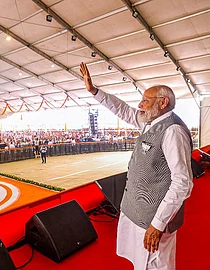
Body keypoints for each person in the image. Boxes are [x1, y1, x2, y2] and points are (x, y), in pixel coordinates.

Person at [80, 62, 193, 270]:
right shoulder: (150, 121)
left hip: (154, 218)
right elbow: (122, 109)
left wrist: (157, 224)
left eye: (145, 101)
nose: (140, 105)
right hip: (138, 212)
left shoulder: (173, 131)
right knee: (141, 263)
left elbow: (182, 183)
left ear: (162, 103)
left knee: (157, 264)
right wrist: (94, 91)